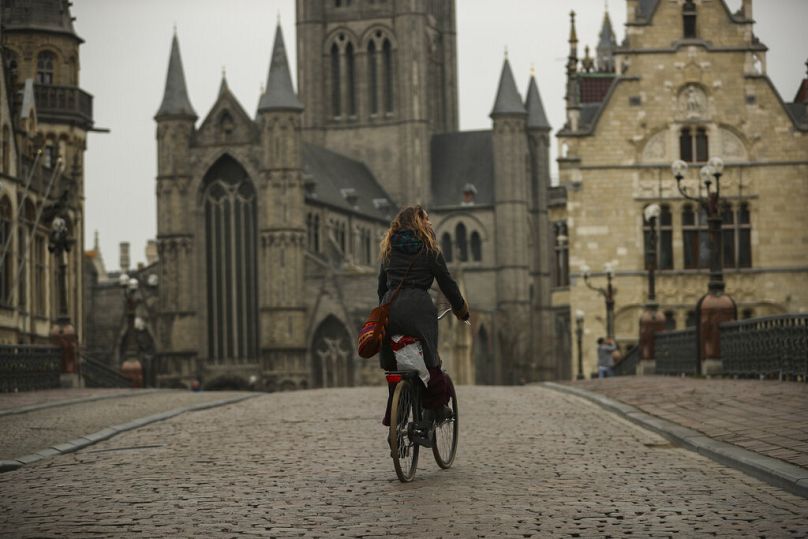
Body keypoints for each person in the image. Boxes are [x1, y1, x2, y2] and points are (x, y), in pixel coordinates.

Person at [377, 206, 469, 426]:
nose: (430, 222)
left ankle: (396, 414)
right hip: (419, 308)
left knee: (394, 365)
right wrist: (461, 310)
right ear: (417, 222)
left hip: (390, 307)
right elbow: (447, 284)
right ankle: (437, 406)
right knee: (430, 359)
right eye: (426, 219)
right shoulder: (430, 250)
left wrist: (383, 309)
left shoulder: (389, 250)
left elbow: (381, 286)